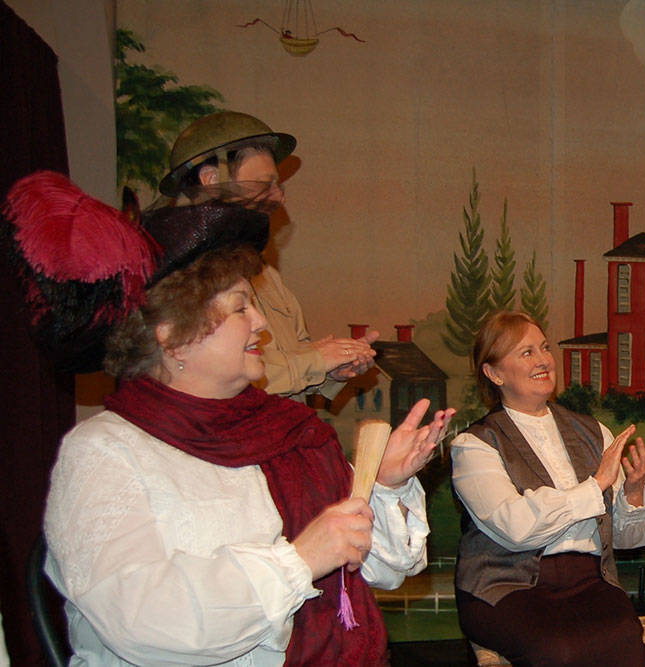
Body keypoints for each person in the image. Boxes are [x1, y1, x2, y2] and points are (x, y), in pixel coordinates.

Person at [19, 173, 455, 664]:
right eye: (240, 308)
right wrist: (299, 561)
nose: (261, 323)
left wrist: (385, 485)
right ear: (171, 333)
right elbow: (141, 620)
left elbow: (382, 571)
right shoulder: (104, 452)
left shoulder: (288, 433)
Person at [451, 311, 645, 667]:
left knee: (625, 641)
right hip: (506, 588)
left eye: (544, 348)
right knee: (560, 650)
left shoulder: (594, 432)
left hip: (590, 582)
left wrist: (633, 492)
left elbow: (628, 540)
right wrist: (596, 486)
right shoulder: (475, 445)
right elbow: (516, 527)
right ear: (495, 373)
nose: (544, 359)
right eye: (526, 352)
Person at [159, 110, 377, 399]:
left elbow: (294, 360)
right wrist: (316, 361)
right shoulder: (181, 277)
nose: (278, 196)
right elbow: (225, 376)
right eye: (263, 184)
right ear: (211, 179)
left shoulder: (266, 275)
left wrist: (333, 367)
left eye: (277, 185)